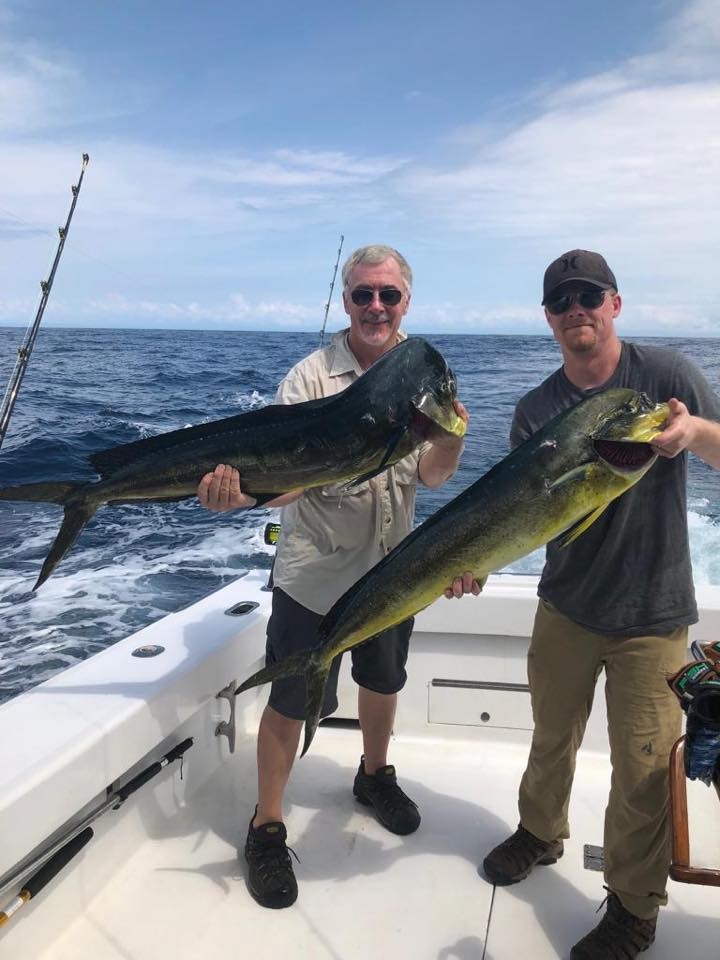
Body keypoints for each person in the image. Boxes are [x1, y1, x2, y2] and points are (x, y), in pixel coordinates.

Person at [448, 249, 720, 959]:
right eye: (563, 302)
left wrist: (693, 434)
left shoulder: (667, 377)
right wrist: (473, 564)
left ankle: (634, 908)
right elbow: (514, 516)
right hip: (565, 605)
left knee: (641, 767)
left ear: (615, 304)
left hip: (653, 616)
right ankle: (540, 833)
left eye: (589, 297)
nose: (578, 312)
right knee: (550, 735)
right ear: (549, 318)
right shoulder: (537, 408)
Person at [197, 244, 468, 909]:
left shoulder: (426, 373)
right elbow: (289, 485)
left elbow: (432, 475)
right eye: (362, 295)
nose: (376, 307)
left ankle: (373, 775)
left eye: (389, 295)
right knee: (292, 699)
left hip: (394, 570)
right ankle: (266, 824)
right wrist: (245, 496)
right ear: (346, 300)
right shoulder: (309, 379)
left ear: (407, 300)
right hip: (314, 575)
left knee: (383, 680)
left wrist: (453, 431)